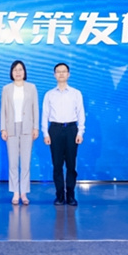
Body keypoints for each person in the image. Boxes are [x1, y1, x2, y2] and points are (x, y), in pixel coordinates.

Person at [41, 62, 85, 206]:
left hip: (71, 129)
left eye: (64, 71)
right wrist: (45, 133)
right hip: (55, 129)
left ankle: (71, 195)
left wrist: (80, 132)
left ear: (68, 74)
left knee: (71, 165)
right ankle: (60, 195)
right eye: (58, 72)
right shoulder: (49, 94)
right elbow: (45, 114)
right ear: (54, 75)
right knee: (57, 165)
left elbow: (81, 113)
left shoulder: (76, 93)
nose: (61, 74)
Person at [0, 60, 39, 205]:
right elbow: (3, 109)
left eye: (20, 69)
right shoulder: (6, 89)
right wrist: (3, 128)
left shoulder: (31, 88)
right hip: (11, 127)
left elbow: (35, 108)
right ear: (11, 72)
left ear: (24, 72)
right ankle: (15, 192)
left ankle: (24, 193)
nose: (18, 72)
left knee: (26, 162)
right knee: (13, 162)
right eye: (15, 70)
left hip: (27, 127)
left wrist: (36, 127)